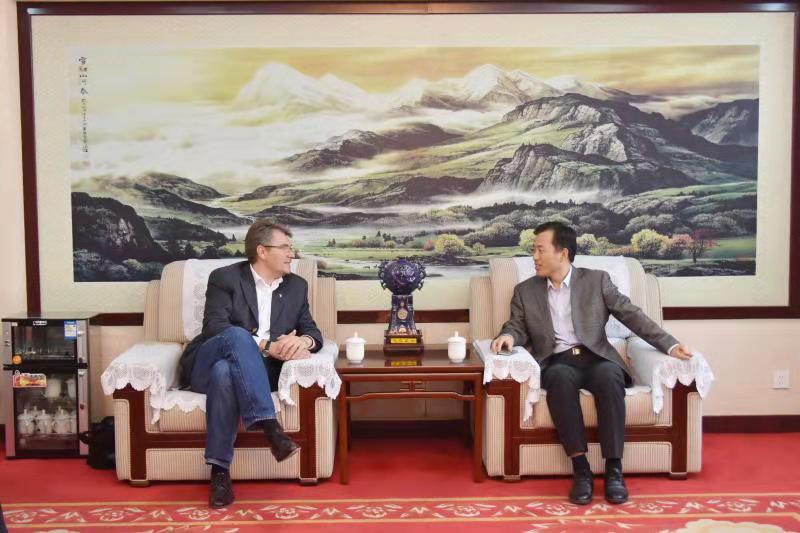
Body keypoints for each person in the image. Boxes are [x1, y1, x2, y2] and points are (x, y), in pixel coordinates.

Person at [491, 221, 693, 505]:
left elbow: (631, 314)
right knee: (560, 378)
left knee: (610, 376)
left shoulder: (597, 280)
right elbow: (517, 325)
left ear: (563, 253)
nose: (534, 257)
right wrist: (508, 336)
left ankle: (614, 470)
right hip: (557, 361)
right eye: (533, 251)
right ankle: (581, 470)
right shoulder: (526, 290)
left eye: (540, 250)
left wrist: (670, 344)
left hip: (596, 357)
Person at [178, 219, 323, 508]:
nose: (291, 254)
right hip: (207, 360)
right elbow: (214, 327)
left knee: (225, 374)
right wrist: (268, 346)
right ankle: (270, 425)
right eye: (285, 247)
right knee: (235, 335)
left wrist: (302, 342)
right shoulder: (225, 278)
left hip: (253, 373)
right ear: (262, 251)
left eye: (291, 248)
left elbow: (313, 332)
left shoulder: (296, 286)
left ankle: (219, 474)